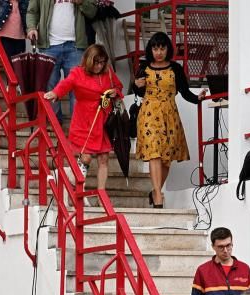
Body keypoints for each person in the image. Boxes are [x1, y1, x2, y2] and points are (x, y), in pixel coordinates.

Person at [133, 32, 205, 208]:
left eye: (162, 48)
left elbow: (185, 92)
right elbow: (138, 93)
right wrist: (137, 86)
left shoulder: (175, 68)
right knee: (154, 153)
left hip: (169, 114)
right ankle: (158, 195)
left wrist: (198, 98)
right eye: (155, 48)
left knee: (166, 158)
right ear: (150, 49)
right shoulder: (143, 66)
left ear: (168, 49)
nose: (158, 52)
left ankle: (155, 189)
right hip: (149, 113)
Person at [44, 44, 123, 194]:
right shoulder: (77, 73)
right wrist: (55, 93)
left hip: (103, 121)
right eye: (96, 62)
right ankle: (77, 188)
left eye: (102, 62)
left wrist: (115, 91)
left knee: (104, 158)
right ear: (88, 60)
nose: (99, 66)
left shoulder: (108, 73)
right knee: (85, 157)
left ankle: (101, 193)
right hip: (84, 120)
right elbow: (66, 84)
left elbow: (119, 86)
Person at [25, 0, 97, 123]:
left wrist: (81, 3)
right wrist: (31, 28)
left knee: (78, 88)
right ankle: (55, 122)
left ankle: (77, 125)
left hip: (76, 46)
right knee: (49, 87)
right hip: (48, 46)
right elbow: (32, 11)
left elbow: (93, 12)